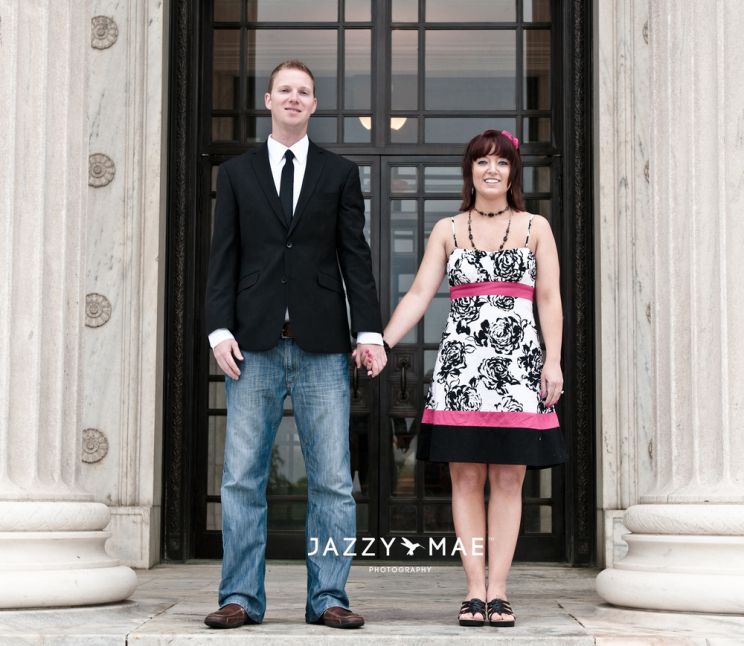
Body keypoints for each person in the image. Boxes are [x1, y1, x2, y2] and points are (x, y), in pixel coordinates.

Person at [203, 59, 387, 630]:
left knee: (332, 480)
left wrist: (369, 331)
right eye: (284, 89)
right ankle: (240, 597)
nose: (293, 97)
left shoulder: (339, 173)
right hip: (252, 345)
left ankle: (328, 596)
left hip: (322, 347)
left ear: (313, 104)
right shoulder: (237, 174)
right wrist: (218, 329)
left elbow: (354, 255)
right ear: (268, 99)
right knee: (241, 478)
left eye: (303, 91)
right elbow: (224, 256)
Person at [378, 129, 568, 627]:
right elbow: (419, 294)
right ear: (470, 171)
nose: (492, 170)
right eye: (482, 161)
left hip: (519, 370)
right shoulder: (447, 229)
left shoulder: (535, 227)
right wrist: (383, 342)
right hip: (461, 370)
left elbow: (549, 299)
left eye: (501, 162)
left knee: (508, 478)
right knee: (464, 477)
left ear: (513, 172)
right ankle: (473, 591)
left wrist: (553, 361)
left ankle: (498, 591)